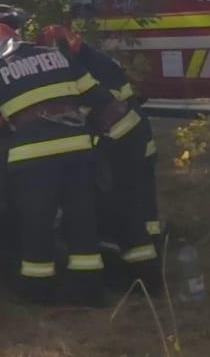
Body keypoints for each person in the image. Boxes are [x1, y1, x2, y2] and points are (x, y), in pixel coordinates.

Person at [0, 23, 111, 305]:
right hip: (78, 150)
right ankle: (88, 289)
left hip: (35, 156)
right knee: (81, 218)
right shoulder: (58, 57)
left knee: (37, 221)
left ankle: (38, 289)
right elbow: (97, 95)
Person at [39, 26, 161, 290]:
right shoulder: (95, 59)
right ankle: (149, 270)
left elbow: (92, 103)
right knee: (138, 208)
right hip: (132, 136)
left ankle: (139, 274)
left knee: (121, 207)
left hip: (119, 140)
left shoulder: (81, 66)